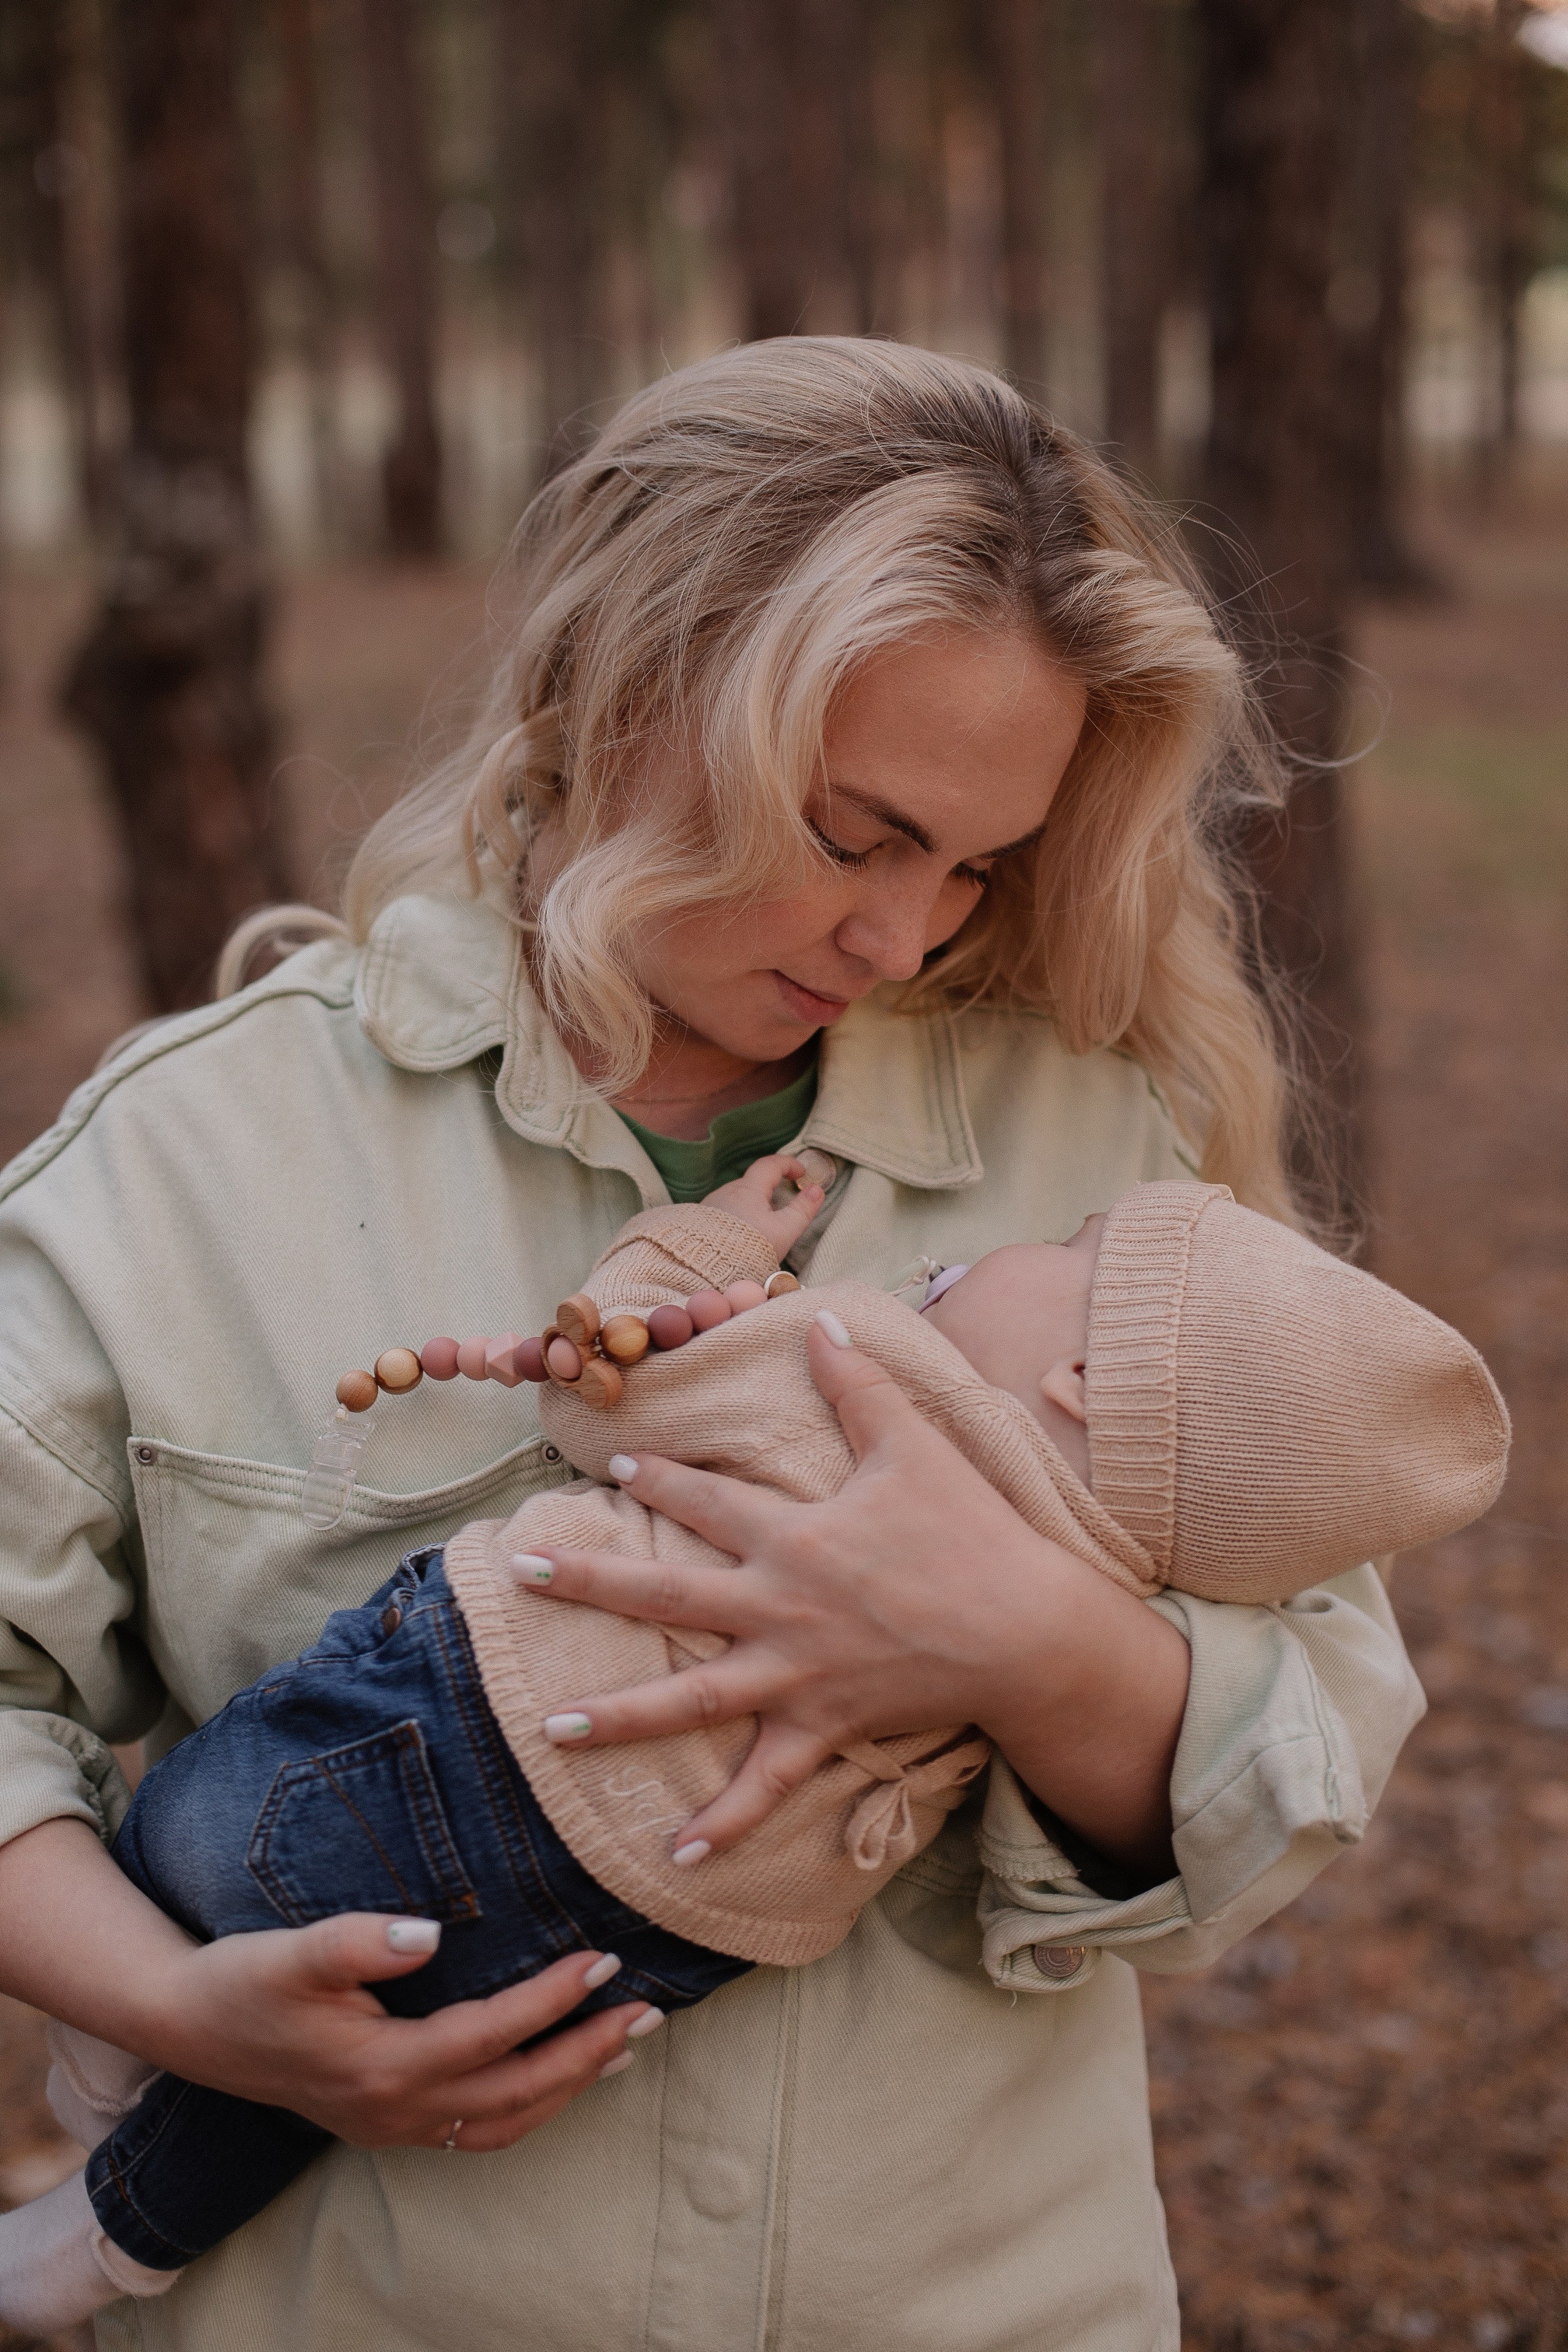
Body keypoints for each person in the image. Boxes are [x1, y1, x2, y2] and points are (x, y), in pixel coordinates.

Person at [0, 339, 1430, 2352]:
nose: (906, 936)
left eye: (978, 867)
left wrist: (1021, 1643)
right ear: (615, 688)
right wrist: (169, 2009)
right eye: (857, 832)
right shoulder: (193, 1160)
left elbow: (1311, 1744)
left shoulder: (1100, 1157)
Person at [1, 1152, 1507, 2331]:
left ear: (1080, 1384)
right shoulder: (1124, 1577)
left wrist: (700, 1262)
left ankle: (119, 2041)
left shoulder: (875, 1364)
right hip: (679, 1922)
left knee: (210, 1836)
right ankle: (117, 2236)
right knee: (363, 2056)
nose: (990, 1256)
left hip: (477, 1744)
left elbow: (608, 1411)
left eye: (1057, 1257)